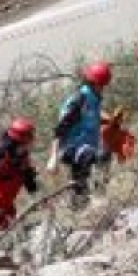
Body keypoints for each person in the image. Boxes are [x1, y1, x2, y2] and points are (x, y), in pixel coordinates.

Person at [55, 61, 112, 206]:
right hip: (71, 147)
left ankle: (78, 203)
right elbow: (60, 129)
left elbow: (92, 117)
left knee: (80, 185)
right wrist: (53, 157)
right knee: (101, 155)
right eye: (103, 85)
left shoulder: (92, 98)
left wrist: (110, 121)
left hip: (84, 146)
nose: (104, 89)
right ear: (95, 84)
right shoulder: (79, 100)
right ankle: (99, 195)